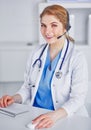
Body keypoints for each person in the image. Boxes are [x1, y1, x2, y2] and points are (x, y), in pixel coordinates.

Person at [0, 4, 88, 129]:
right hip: (36, 115)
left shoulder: (77, 58)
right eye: (43, 25)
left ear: (65, 28)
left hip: (63, 117)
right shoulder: (36, 53)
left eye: (54, 25)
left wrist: (54, 116)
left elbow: (78, 99)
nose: (47, 31)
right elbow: (27, 87)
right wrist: (14, 98)